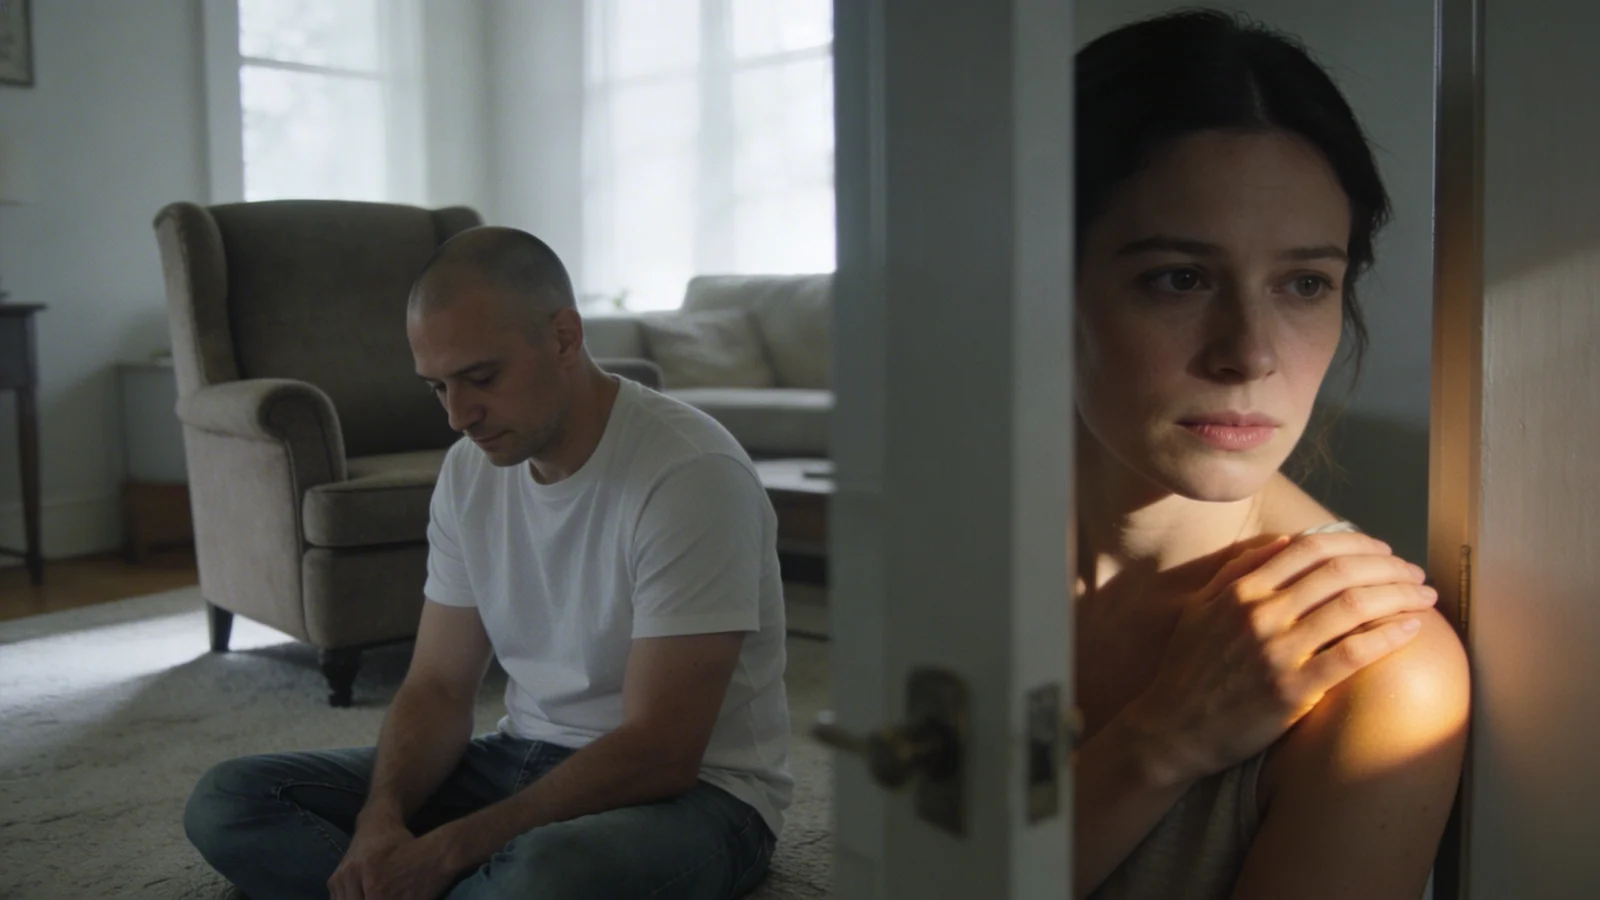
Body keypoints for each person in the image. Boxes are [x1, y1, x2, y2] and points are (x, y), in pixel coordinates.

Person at [184, 226, 792, 899]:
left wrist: (448, 850)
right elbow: (440, 685)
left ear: (564, 337)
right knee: (229, 800)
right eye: (437, 387)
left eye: (480, 378)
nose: (458, 415)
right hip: (518, 761)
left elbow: (662, 751)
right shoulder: (470, 472)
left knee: (541, 877)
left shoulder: (688, 472)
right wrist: (379, 825)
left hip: (698, 800)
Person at [1070, 10, 1469, 900]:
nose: (1249, 353)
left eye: (1303, 284)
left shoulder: (1380, 674)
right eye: (1180, 276)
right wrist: (1159, 744)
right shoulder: (946, 554)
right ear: (1037, 285)